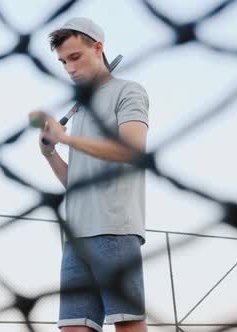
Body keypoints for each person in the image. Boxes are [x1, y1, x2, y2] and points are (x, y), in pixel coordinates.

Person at [39, 17, 150, 332]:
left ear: (98, 48)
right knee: (73, 328)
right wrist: (50, 153)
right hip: (77, 238)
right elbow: (77, 182)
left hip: (114, 230)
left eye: (75, 57)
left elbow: (131, 149)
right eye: (63, 62)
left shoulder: (128, 91)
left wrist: (67, 138)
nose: (70, 68)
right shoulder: (81, 108)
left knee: (127, 326)